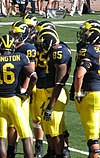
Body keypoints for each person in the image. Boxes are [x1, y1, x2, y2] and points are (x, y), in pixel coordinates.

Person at [36, 28, 72, 158]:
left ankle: (59, 154)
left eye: (43, 43)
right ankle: (52, 153)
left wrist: (51, 106)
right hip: (51, 93)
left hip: (56, 94)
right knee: (50, 127)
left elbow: (59, 83)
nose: (42, 46)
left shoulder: (59, 53)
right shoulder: (55, 49)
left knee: (55, 130)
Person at [7, 21, 37, 157]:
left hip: (21, 91)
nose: (14, 36)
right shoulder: (12, 46)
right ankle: (11, 150)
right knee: (12, 125)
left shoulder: (28, 47)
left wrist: (24, 89)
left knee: (22, 124)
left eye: (17, 34)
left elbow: (31, 72)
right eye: (13, 33)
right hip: (12, 89)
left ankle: (27, 153)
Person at [74, 26, 100, 158]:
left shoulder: (88, 50)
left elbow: (79, 75)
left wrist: (77, 92)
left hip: (92, 93)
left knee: (93, 136)